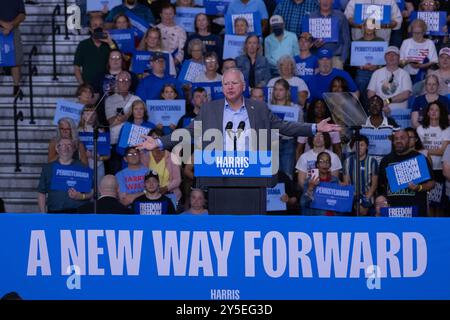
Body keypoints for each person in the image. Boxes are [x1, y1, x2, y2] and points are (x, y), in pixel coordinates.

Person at [137, 68, 341, 153]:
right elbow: (188, 133)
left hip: (252, 171)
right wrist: (157, 142)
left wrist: (315, 127)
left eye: (235, 83)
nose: (230, 87)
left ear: (243, 86)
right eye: (226, 84)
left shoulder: (259, 108)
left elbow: (284, 126)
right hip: (220, 172)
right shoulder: (209, 110)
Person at [378, 129, 435, 217]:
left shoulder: (420, 158)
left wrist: (419, 187)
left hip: (415, 211)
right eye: (396, 139)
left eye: (402, 138)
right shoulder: (385, 160)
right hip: (393, 211)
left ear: (409, 140)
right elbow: (381, 185)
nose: (398, 141)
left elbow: (431, 183)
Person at [38, 138, 92, 213]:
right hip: (55, 213)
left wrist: (82, 196)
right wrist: (43, 215)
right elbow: (41, 193)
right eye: (63, 145)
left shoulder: (83, 167)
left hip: (79, 213)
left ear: (74, 149)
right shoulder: (48, 168)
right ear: (57, 148)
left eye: (69, 145)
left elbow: (93, 191)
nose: (66, 148)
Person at [416, 101, 450, 216]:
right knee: (428, 203)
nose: (434, 112)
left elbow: (443, 151)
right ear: (428, 112)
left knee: (439, 204)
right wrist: (423, 151)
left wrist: (425, 150)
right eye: (431, 109)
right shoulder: (420, 129)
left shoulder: (446, 130)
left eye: (437, 110)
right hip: (425, 169)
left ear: (441, 113)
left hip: (440, 169)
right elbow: (417, 151)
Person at [105, 71, 141, 174]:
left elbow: (140, 119)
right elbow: (111, 121)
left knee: (133, 173)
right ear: (116, 83)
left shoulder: (136, 99)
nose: (124, 83)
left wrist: (123, 117)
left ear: (130, 83)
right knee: (116, 173)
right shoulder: (109, 100)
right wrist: (129, 115)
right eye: (120, 80)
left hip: (133, 142)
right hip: (115, 142)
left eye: (126, 80)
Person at [270, 78, 304, 178]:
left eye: (281, 90)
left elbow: (300, 128)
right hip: (272, 143)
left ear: (287, 91)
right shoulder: (268, 107)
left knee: (287, 175)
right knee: (272, 175)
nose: (277, 92)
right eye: (275, 89)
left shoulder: (296, 108)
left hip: (288, 143)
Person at [139, 128, 182, 201]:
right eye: (154, 137)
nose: (156, 140)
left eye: (159, 138)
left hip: (169, 194)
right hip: (149, 195)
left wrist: (165, 188)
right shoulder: (144, 156)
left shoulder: (172, 156)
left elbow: (177, 180)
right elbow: (141, 178)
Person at [367, 46, 413, 113]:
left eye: (394, 54)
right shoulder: (376, 73)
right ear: (385, 57)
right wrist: (380, 105)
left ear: (399, 58)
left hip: (399, 113)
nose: (391, 57)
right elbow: (370, 93)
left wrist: (387, 101)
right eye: (388, 54)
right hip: (379, 110)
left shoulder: (405, 74)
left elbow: (405, 95)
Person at [307, 0, 350, 69]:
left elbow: (346, 40)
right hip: (317, 58)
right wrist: (313, 45)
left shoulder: (341, 16)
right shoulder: (311, 16)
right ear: (319, 1)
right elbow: (307, 40)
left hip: (336, 59)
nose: (325, 2)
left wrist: (343, 59)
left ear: (333, 1)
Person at [74, 15, 116, 86]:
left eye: (100, 25)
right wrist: (83, 86)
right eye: (95, 25)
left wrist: (109, 42)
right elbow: (76, 68)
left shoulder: (110, 43)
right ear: (90, 29)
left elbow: (118, 55)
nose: (98, 27)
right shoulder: (83, 45)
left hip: (108, 85)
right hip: (89, 87)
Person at [343, 135, 379, 215]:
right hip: (352, 198)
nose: (359, 147)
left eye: (362, 145)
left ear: (367, 147)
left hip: (368, 197)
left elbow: (374, 185)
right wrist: (356, 202)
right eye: (356, 145)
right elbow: (347, 184)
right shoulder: (347, 162)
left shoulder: (372, 161)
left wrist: (365, 202)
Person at [300, 151, 342, 216]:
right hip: (317, 219)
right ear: (317, 164)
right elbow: (303, 203)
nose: (324, 164)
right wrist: (310, 188)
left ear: (330, 165)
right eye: (321, 161)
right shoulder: (310, 180)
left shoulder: (335, 180)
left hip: (334, 219)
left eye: (327, 162)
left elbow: (339, 203)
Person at [0, 0, 26, 96]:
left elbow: (22, 15)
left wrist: (11, 25)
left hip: (13, 30)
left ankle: (16, 87)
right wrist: (4, 24)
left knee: (16, 61)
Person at [78, 106, 110, 182]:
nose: (91, 117)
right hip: (81, 164)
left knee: (99, 190)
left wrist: (97, 158)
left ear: (96, 116)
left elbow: (108, 155)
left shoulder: (101, 131)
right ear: (82, 115)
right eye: (88, 114)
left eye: (93, 114)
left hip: (98, 165)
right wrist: (83, 154)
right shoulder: (77, 131)